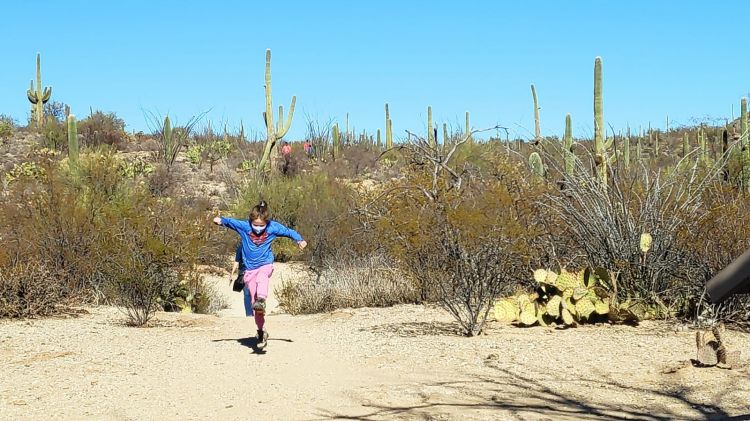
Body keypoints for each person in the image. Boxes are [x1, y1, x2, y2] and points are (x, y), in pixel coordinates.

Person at [213, 201, 307, 348]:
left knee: (263, 279)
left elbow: (289, 232)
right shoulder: (244, 226)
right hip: (249, 270)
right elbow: (230, 222)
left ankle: (262, 299)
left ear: (266, 222)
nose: (257, 228)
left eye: (261, 225)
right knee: (255, 306)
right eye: (255, 225)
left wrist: (299, 240)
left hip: (265, 264)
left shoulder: (272, 227)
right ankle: (261, 331)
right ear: (250, 221)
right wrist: (221, 221)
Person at [229, 243, 253, 318]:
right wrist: (232, 273)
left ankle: (254, 313)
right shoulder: (241, 247)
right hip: (243, 272)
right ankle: (249, 314)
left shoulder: (257, 246)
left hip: (254, 272)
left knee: (253, 293)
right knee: (247, 293)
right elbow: (237, 261)